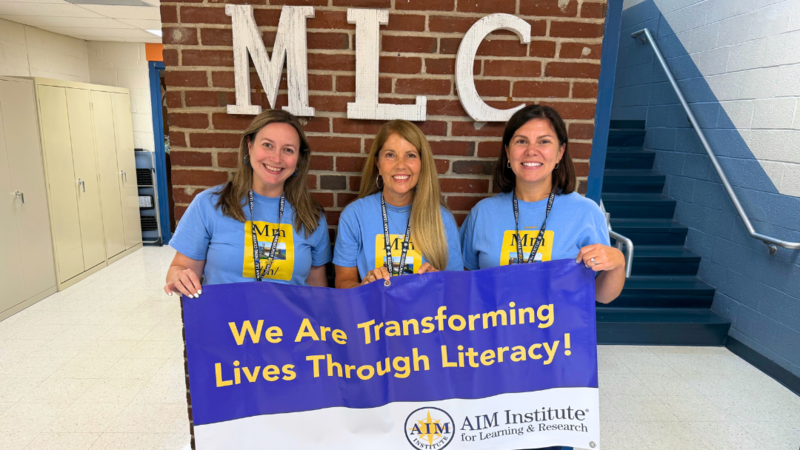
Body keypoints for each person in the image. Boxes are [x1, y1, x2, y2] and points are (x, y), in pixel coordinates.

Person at [459, 104, 625, 304]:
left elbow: (601, 296)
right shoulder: (482, 213)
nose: (531, 151)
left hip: (558, 334)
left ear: (560, 152)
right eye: (521, 141)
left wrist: (618, 264)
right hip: (495, 333)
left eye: (544, 141)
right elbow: (464, 284)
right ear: (508, 151)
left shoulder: (586, 213)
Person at [164, 110, 331, 297]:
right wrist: (178, 277)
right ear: (249, 147)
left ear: (298, 159)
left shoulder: (312, 216)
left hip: (290, 324)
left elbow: (317, 286)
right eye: (268, 145)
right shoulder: (209, 204)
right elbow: (181, 268)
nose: (276, 158)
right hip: (225, 323)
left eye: (288, 150)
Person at [334, 120, 463, 288]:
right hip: (373, 312)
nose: (401, 165)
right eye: (390, 155)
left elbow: (459, 286)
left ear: (422, 164)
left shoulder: (441, 218)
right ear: (378, 164)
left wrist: (440, 281)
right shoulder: (354, 215)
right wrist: (364, 286)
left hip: (425, 313)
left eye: (410, 155)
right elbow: (343, 282)